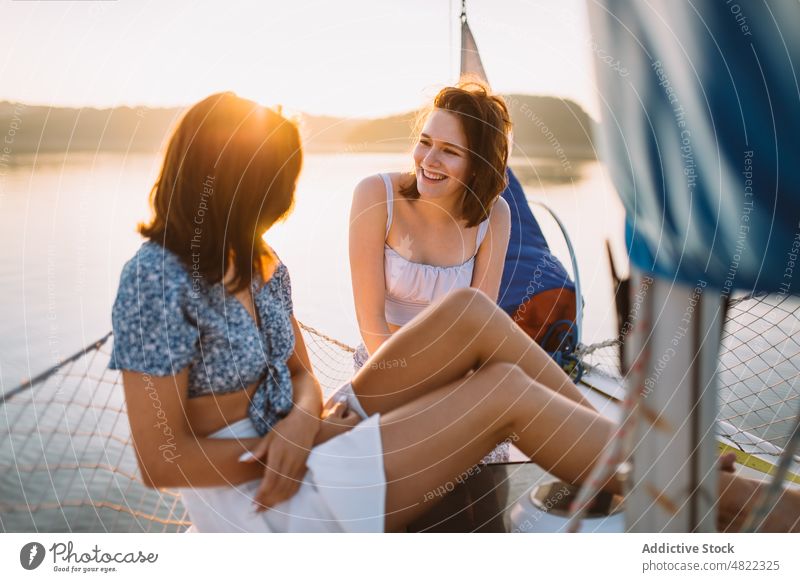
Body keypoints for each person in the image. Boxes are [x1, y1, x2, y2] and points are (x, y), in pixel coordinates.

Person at [110, 92, 799, 533]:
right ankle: (730, 499)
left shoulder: (262, 263)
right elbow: (161, 460)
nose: (280, 204)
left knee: (470, 310)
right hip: (268, 503)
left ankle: (647, 458)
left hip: (311, 440)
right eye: (269, 188)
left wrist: (298, 418)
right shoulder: (153, 282)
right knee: (500, 393)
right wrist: (282, 447)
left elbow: (302, 377)